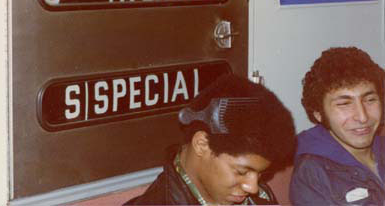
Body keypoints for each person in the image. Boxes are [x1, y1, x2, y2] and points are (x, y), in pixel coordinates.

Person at [124, 74, 296, 205]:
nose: (253, 187)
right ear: (202, 144)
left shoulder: (258, 199)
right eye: (242, 172)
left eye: (260, 174)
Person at [290, 47, 385, 206]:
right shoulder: (313, 174)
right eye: (344, 104)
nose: (362, 117)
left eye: (370, 100)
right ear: (319, 114)